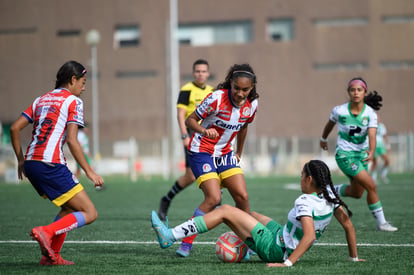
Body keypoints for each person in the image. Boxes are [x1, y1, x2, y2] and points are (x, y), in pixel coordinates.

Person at [152, 160, 365, 267]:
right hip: (280, 235)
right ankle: (246, 247)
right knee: (249, 214)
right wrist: (353, 258)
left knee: (225, 210)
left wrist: (287, 263)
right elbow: (348, 225)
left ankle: (169, 236)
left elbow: (308, 236)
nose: (300, 179)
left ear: (309, 180)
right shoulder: (329, 195)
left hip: (276, 249)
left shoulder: (304, 201)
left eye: (301, 176)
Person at [10, 60, 104, 265]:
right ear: (73, 80)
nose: (84, 87)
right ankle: (46, 231)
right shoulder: (73, 101)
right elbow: (72, 140)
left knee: (69, 207)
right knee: (90, 212)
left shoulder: (41, 100)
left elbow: (14, 128)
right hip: (50, 163)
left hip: (32, 163)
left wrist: (20, 160)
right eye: (83, 82)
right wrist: (90, 172)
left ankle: (50, 256)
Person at [174, 63, 260, 257]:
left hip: (226, 153)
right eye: (236, 88)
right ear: (230, 83)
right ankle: (186, 244)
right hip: (201, 150)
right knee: (214, 198)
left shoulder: (253, 104)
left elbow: (244, 126)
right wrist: (205, 130)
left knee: (242, 197)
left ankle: (246, 244)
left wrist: (239, 151)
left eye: (245, 90)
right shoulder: (216, 98)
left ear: (252, 87)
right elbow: (190, 120)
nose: (239, 93)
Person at [320, 77, 397, 232]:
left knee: (356, 193)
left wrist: (372, 151)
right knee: (371, 185)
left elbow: (373, 135)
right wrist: (323, 138)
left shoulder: (370, 114)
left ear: (365, 92)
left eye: (359, 90)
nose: (356, 93)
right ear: (348, 92)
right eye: (352, 90)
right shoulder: (339, 110)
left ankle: (328, 190)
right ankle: (381, 223)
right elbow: (330, 124)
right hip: (345, 156)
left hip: (361, 157)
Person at [158, 59, 213, 221]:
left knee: (214, 169)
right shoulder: (187, 89)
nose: (200, 74)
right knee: (190, 176)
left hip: (209, 137)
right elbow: (181, 115)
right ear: (193, 73)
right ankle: (167, 199)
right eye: (197, 71)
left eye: (203, 71)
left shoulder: (212, 90)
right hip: (193, 135)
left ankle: (215, 203)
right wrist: (184, 135)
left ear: (208, 73)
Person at [371, 118, 391, 184]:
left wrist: (388, 145)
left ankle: (383, 175)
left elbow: (385, 136)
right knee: (374, 162)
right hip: (373, 146)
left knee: (387, 161)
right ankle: (373, 178)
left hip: (381, 146)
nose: (377, 119)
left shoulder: (382, 126)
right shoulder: (371, 125)